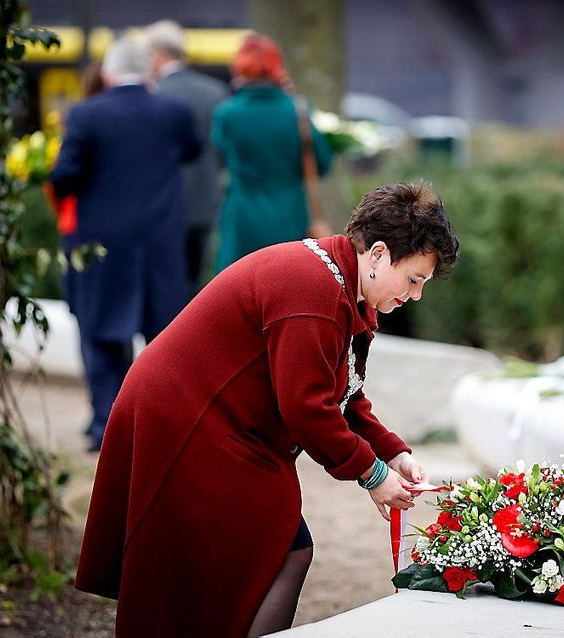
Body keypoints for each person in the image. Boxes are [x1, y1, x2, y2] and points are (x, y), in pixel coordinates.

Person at [74, 182, 459, 637]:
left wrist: (392, 452)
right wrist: (372, 475)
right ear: (377, 255)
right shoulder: (314, 292)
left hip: (219, 422)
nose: (414, 295)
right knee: (278, 545)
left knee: (278, 549)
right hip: (189, 420)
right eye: (414, 279)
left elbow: (344, 395)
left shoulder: (343, 287)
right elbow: (306, 409)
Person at [49, 34, 201, 452]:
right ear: (151, 70)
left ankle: (106, 426)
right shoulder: (174, 112)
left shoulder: (86, 114)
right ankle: (166, 426)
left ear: (110, 71)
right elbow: (193, 150)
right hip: (159, 241)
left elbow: (65, 175)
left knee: (100, 335)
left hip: (101, 243)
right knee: (167, 338)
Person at [211, 33, 334, 273]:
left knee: (238, 284)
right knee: (288, 281)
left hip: (244, 213)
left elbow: (221, 154)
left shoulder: (226, 114)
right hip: (290, 212)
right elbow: (322, 163)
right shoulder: (297, 110)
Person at [143, 20, 229, 291]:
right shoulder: (215, 91)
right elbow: (222, 149)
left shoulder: (154, 94)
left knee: (164, 286)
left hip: (163, 203)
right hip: (205, 201)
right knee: (194, 283)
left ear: (157, 55)